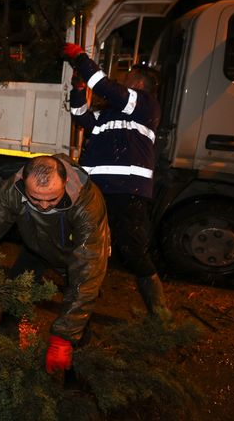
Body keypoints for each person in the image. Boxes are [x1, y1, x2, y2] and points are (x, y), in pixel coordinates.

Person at [0, 154, 110, 374]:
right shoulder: (13, 189)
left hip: (72, 255)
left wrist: (64, 335)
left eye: (52, 200)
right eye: (35, 199)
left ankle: (77, 372)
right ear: (24, 183)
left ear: (65, 183)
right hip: (35, 247)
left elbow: (88, 270)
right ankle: (2, 356)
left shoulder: (87, 202)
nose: (43, 206)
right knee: (14, 293)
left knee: (78, 313)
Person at [63, 42, 170, 318]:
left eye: (129, 77)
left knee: (132, 250)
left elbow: (104, 86)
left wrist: (81, 58)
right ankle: (83, 297)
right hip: (97, 190)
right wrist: (78, 89)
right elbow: (81, 117)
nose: (124, 80)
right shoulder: (111, 112)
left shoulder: (146, 105)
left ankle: (159, 314)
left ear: (140, 83)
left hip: (127, 191)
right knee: (89, 244)